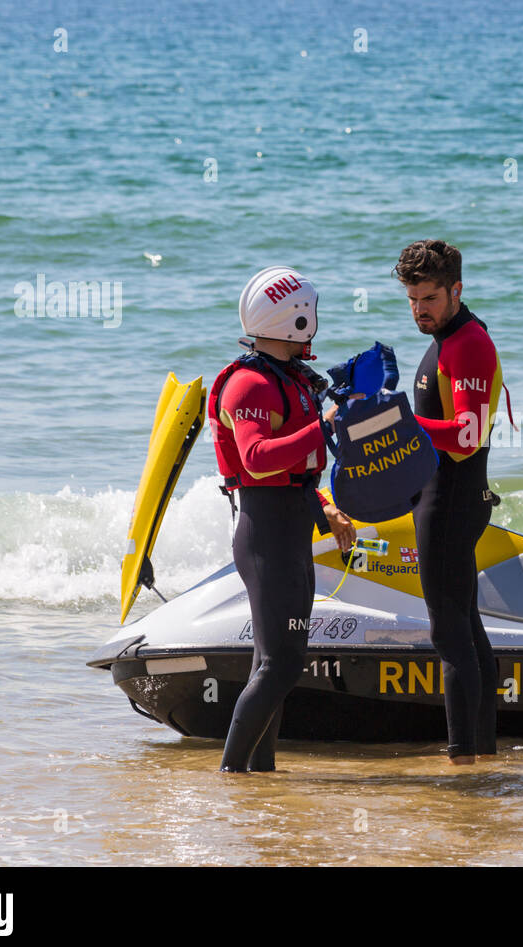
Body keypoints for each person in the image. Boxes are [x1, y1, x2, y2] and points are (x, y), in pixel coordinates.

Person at [208, 266, 355, 773]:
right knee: (282, 664)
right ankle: (231, 774)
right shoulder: (249, 385)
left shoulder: (288, 377)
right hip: (267, 532)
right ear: (295, 318)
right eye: (309, 314)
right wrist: (325, 424)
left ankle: (260, 777)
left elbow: (295, 474)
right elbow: (257, 459)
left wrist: (328, 508)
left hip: (290, 524)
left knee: (271, 663)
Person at [393, 240, 503, 765]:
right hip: (443, 498)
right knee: (465, 624)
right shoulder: (443, 337)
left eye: (430, 297)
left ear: (456, 290)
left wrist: (401, 423)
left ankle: (463, 761)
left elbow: (467, 434)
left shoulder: (468, 345)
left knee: (449, 630)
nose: (420, 308)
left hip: (454, 500)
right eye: (413, 298)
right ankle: (481, 752)